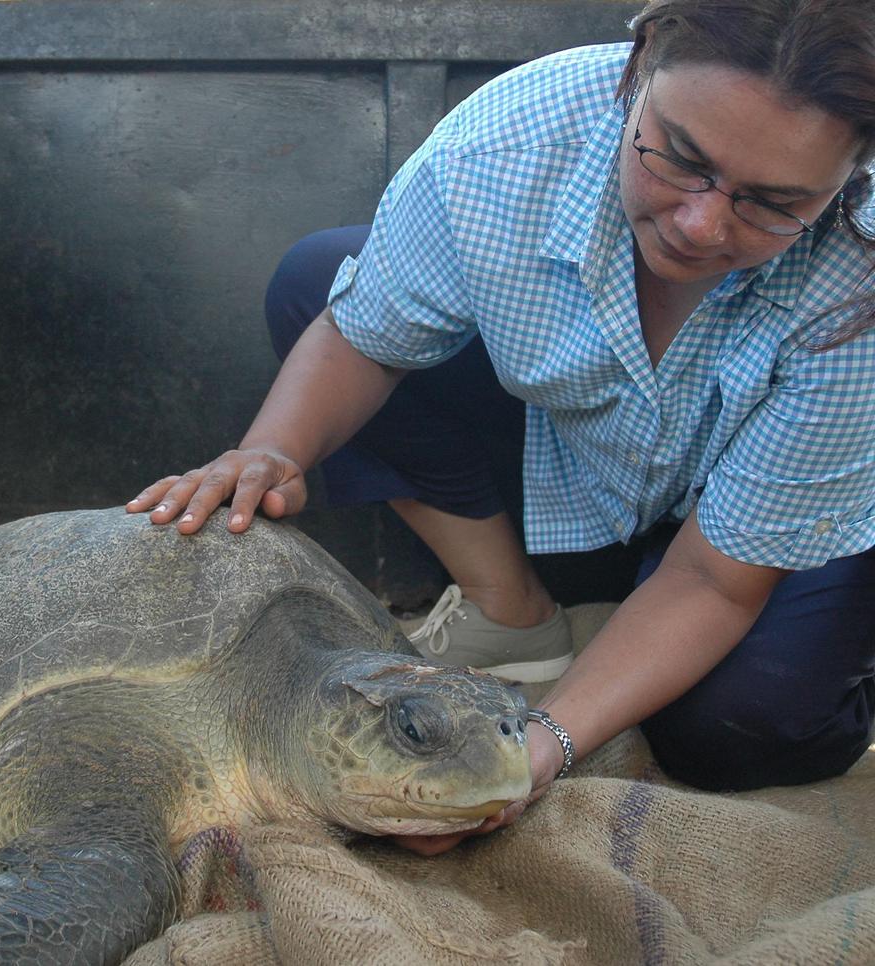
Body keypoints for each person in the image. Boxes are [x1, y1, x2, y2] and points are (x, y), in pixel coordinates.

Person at [128, 0, 875, 852]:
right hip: (591, 479)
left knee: (737, 729)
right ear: (638, 73)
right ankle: (515, 610)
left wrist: (536, 749)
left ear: (851, 177)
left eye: (775, 203)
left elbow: (714, 581)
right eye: (680, 157)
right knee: (317, 281)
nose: (701, 224)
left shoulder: (863, 273)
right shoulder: (508, 142)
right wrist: (269, 450)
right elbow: (364, 336)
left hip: (776, 528)